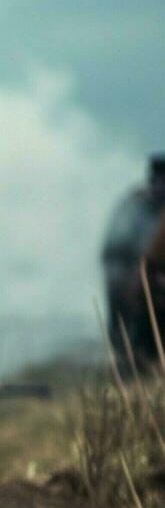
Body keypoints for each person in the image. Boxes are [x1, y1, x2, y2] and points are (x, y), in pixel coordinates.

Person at [101, 153, 165, 376]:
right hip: (132, 282)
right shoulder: (135, 207)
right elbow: (116, 248)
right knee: (133, 340)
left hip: (155, 285)